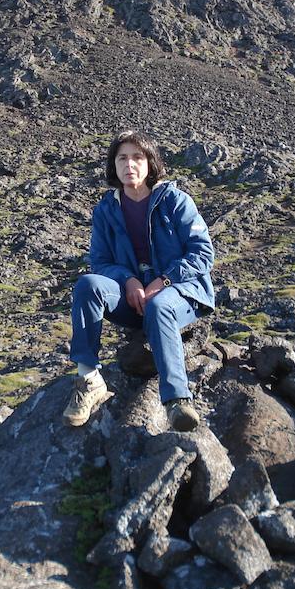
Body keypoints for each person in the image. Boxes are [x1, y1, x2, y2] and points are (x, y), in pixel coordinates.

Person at [64, 130, 216, 431]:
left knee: (160, 305)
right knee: (87, 285)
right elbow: (100, 262)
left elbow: (202, 253)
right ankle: (89, 378)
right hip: (132, 297)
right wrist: (129, 279)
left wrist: (164, 280)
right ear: (114, 166)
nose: (129, 164)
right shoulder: (106, 210)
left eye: (137, 157)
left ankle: (177, 401)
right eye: (122, 158)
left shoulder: (175, 200)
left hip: (181, 293)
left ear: (150, 163)